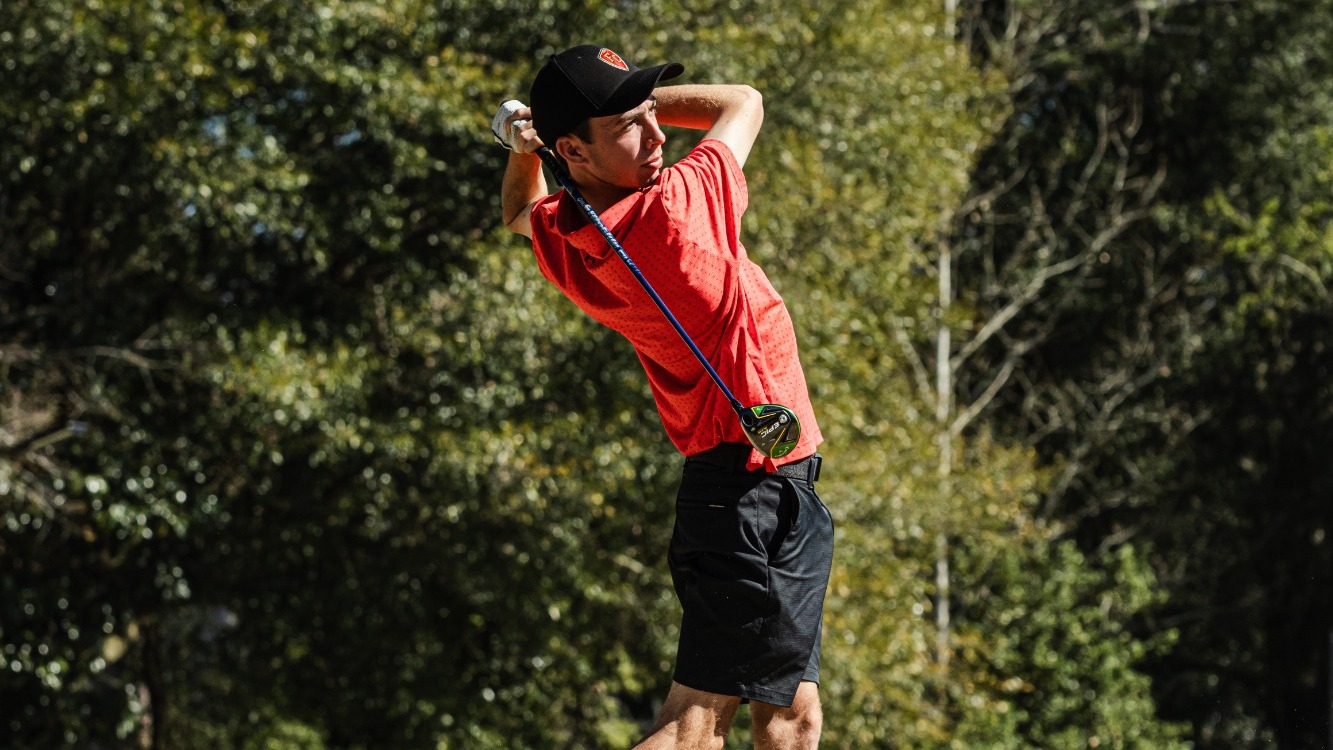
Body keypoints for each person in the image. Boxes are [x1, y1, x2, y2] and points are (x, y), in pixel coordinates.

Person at [493, 45, 834, 750]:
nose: (655, 135)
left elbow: (521, 211)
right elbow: (743, 99)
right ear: (574, 151)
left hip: (744, 487)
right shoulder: (677, 210)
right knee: (692, 732)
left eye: (653, 113)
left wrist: (525, 149)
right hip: (753, 493)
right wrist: (541, 134)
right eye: (628, 124)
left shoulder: (573, 234)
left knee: (792, 719)